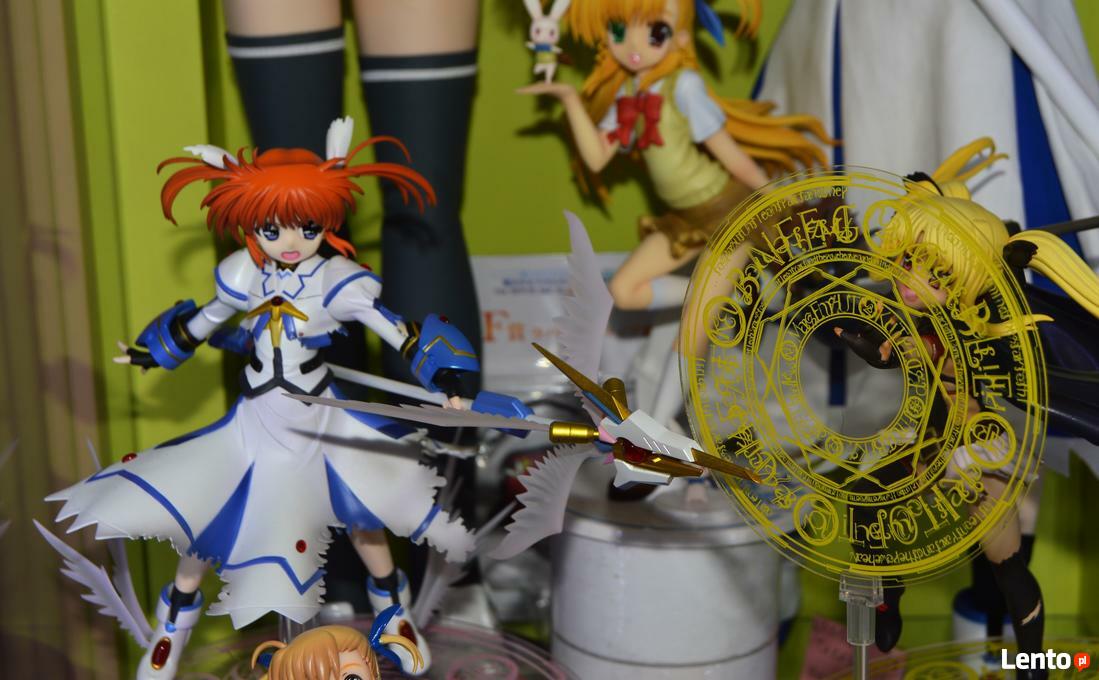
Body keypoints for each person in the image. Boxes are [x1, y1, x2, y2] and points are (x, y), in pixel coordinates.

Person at [45, 121, 475, 678]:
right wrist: (156, 350)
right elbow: (206, 320)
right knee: (209, 523)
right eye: (273, 227)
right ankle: (171, 629)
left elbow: (398, 332)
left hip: (320, 421)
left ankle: (395, 614)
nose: (291, 240)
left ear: (326, 221)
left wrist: (448, 381)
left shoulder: (335, 280)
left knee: (362, 515)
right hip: (256, 424)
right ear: (251, 225)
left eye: (307, 225)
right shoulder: (244, 275)